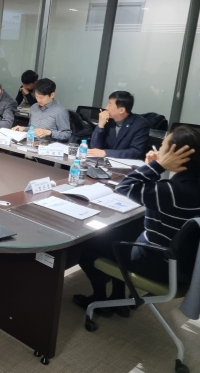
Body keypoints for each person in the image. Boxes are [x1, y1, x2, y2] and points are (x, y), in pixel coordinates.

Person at [73, 126, 200, 316]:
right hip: (183, 264)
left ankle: (100, 300)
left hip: (158, 264)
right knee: (121, 232)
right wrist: (153, 167)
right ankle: (118, 298)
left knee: (89, 246)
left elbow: (125, 187)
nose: (159, 149)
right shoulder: (189, 186)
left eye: (163, 146)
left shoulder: (172, 191)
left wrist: (157, 166)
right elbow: (156, 195)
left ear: (174, 154)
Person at [88, 91, 150, 159]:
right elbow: (94, 148)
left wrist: (105, 153)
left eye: (110, 104)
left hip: (127, 163)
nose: (106, 108)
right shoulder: (107, 120)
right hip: (105, 161)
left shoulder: (140, 124)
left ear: (121, 110)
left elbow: (136, 152)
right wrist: (100, 126)